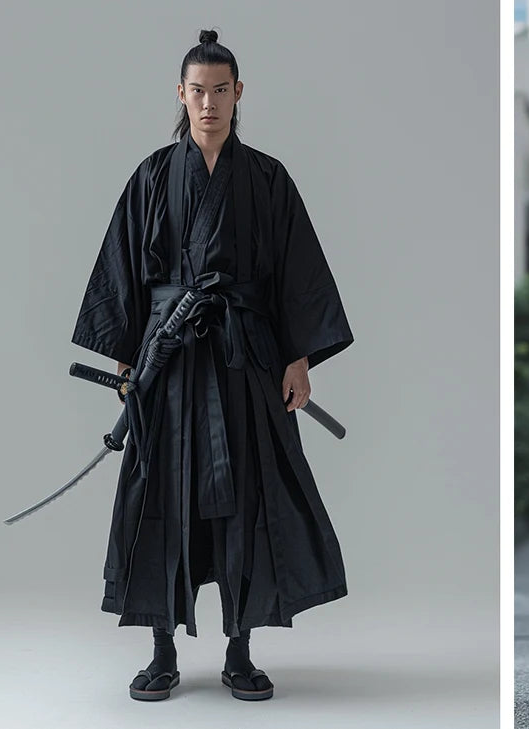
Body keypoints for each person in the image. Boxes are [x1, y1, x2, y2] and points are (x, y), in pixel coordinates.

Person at [70, 29, 354, 702]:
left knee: (248, 499)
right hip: (168, 365)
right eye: (197, 91)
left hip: (243, 360)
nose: (208, 103)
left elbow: (295, 272)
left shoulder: (266, 179)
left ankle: (239, 649)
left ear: (238, 94)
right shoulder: (152, 177)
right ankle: (162, 650)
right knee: (160, 496)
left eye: (220, 91)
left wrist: (300, 357)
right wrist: (127, 360)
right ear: (181, 94)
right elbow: (124, 277)